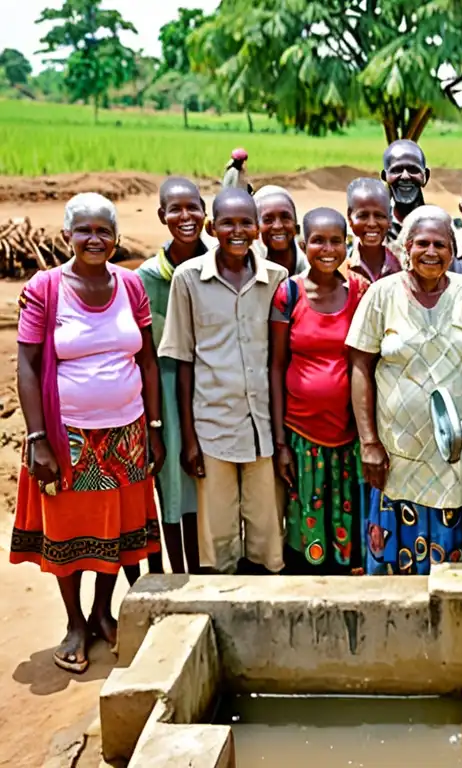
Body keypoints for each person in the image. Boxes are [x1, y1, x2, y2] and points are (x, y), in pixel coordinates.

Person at [10, 193, 164, 673]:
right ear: (68, 236)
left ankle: (103, 611)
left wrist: (154, 427)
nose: (95, 239)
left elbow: (146, 358)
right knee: (70, 532)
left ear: (116, 237)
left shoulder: (131, 286)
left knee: (114, 531)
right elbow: (28, 365)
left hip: (127, 432)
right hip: (67, 435)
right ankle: (75, 622)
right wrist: (37, 440)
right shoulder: (45, 289)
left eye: (103, 230)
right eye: (85, 230)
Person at [347, 206, 462, 575]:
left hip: (457, 456)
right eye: (423, 243)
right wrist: (369, 442)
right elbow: (361, 367)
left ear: (452, 249)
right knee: (396, 580)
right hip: (397, 457)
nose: (432, 252)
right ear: (407, 247)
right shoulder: (382, 295)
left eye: (441, 244)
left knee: (455, 576)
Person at [160, 188, 289, 575]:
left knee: (268, 535)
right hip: (212, 425)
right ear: (211, 227)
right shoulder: (188, 279)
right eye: (228, 223)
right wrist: (189, 438)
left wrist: (281, 440)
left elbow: (279, 362)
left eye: (246, 223)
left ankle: (262, 612)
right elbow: (183, 360)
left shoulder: (277, 279)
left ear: (257, 229)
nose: (237, 231)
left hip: (263, 427)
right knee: (217, 540)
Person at [270, 208, 369, 574]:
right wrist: (280, 443)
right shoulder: (289, 293)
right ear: (302, 242)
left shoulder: (359, 291)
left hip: (349, 436)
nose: (327, 249)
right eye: (318, 241)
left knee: (348, 530)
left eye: (336, 241)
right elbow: (276, 367)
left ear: (347, 244)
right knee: (305, 527)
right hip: (302, 434)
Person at [134, 177, 206, 576]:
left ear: (205, 212)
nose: (185, 216)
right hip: (165, 393)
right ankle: (180, 575)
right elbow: (145, 354)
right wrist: (155, 423)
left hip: (212, 389)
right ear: (162, 216)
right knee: (175, 490)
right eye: (174, 209)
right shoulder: (146, 279)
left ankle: (209, 570)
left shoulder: (219, 265)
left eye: (192, 207)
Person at [345, 178, 403, 283]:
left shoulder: (402, 266)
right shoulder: (341, 268)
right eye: (363, 216)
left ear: (389, 218)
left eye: (379, 216)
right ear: (350, 217)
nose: (372, 224)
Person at [254, 185, 310, 276]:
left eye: (285, 217)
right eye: (268, 220)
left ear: (296, 226)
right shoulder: (250, 275)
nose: (278, 226)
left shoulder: (314, 273)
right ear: (256, 228)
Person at [381, 140, 429, 243]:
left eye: (413, 169)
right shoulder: (375, 227)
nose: (405, 176)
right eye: (396, 170)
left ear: (426, 176)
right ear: (385, 177)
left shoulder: (441, 225)